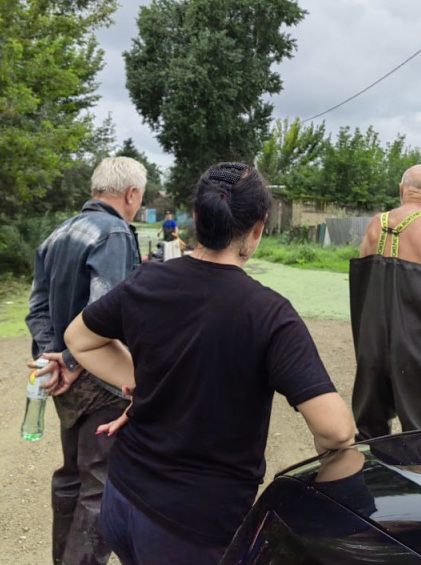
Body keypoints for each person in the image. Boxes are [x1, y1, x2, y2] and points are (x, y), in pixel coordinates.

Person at [63, 161, 355, 565]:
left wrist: (144, 381)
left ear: (197, 218)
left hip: (123, 500)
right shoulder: (269, 314)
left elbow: (79, 338)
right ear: (258, 228)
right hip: (193, 528)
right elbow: (337, 432)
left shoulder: (146, 281)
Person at [25, 156, 146, 565]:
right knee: (101, 486)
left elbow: (37, 305)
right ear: (131, 194)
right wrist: (74, 364)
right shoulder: (114, 232)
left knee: (72, 477)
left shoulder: (59, 232)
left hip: (65, 380)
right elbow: (105, 310)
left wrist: (51, 359)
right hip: (100, 379)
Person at [349, 165, 421, 440]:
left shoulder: (376, 224)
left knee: (370, 432)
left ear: (401, 190)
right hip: (418, 346)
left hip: (372, 344)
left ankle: (372, 478)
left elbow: (364, 288)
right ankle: (418, 481)